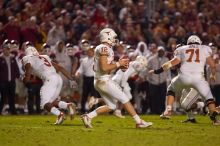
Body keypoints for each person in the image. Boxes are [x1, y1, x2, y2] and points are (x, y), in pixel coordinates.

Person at [81, 28, 152, 128]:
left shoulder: (105, 49)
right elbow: (104, 67)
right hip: (103, 80)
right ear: (107, 36)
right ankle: (138, 122)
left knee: (112, 106)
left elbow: (102, 68)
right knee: (125, 98)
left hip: (100, 80)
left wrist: (119, 65)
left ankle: (88, 116)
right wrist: (119, 63)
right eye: (113, 37)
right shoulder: (104, 48)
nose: (115, 39)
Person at [149, 35, 220, 125]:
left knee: (171, 89)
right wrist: (213, 75)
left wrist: (158, 71)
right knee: (209, 97)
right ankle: (214, 116)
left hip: (184, 77)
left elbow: (171, 63)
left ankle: (168, 111)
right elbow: (213, 65)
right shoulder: (204, 48)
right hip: (199, 78)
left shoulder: (182, 49)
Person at [21, 46, 77, 124]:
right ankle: (68, 105)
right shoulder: (44, 57)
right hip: (58, 78)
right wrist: (72, 80)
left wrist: (24, 79)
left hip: (49, 80)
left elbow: (27, 76)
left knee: (44, 104)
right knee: (51, 101)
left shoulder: (27, 58)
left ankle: (60, 114)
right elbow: (60, 68)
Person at [0, 39, 20, 115]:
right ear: (3, 50)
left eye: (8, 49)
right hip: (3, 81)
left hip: (11, 80)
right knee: (3, 97)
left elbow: (16, 68)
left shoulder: (12, 58)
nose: (7, 51)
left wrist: (17, 75)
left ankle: (13, 111)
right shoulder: (0, 58)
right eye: (5, 49)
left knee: (12, 97)